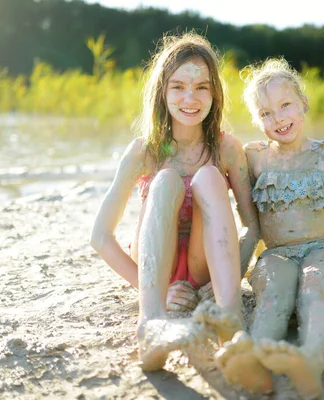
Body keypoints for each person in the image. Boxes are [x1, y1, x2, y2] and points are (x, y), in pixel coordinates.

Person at [89, 32, 259, 372]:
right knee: (165, 180)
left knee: (209, 178)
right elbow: (100, 237)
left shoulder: (227, 150)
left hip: (202, 264)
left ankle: (231, 321)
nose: (190, 98)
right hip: (156, 270)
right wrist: (153, 288)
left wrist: (228, 280)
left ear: (215, 93)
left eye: (201, 87)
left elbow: (252, 229)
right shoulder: (144, 151)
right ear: (162, 92)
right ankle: (150, 324)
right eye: (178, 86)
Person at [214, 57, 324, 399]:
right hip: (276, 254)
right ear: (256, 120)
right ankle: (256, 357)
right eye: (265, 113)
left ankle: (311, 359)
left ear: (303, 103)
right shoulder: (255, 157)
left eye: (285, 105)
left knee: (313, 293)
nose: (278, 118)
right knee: (273, 297)